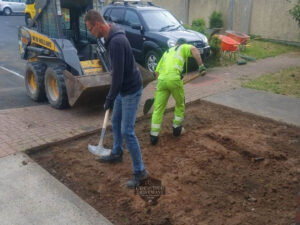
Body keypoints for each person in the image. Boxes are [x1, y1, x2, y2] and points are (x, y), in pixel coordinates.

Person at [85, 10, 148, 188]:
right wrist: (113, 95)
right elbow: (116, 74)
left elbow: (118, 77)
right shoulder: (110, 36)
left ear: (98, 24)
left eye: (90, 29)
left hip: (130, 89)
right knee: (115, 119)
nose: (90, 33)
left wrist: (110, 97)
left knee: (127, 130)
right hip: (122, 88)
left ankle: (140, 172)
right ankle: (117, 152)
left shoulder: (117, 42)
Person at [150, 38, 206, 145]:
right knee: (180, 103)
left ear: (175, 44)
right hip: (174, 80)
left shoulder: (167, 52)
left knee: (158, 108)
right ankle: (177, 129)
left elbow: (157, 72)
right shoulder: (182, 47)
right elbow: (194, 49)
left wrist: (163, 84)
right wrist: (201, 66)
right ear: (181, 44)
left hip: (161, 81)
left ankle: (153, 136)